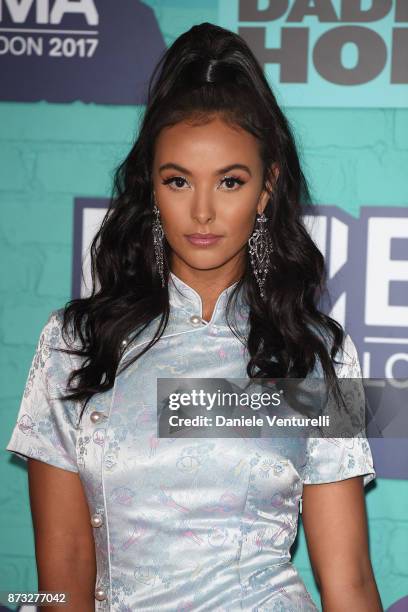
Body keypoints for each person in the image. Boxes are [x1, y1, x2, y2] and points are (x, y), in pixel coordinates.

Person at [6, 22, 383, 612]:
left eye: (230, 182)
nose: (202, 211)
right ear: (151, 187)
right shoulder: (76, 344)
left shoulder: (313, 353)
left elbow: (350, 580)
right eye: (178, 180)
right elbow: (62, 578)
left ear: (265, 189)